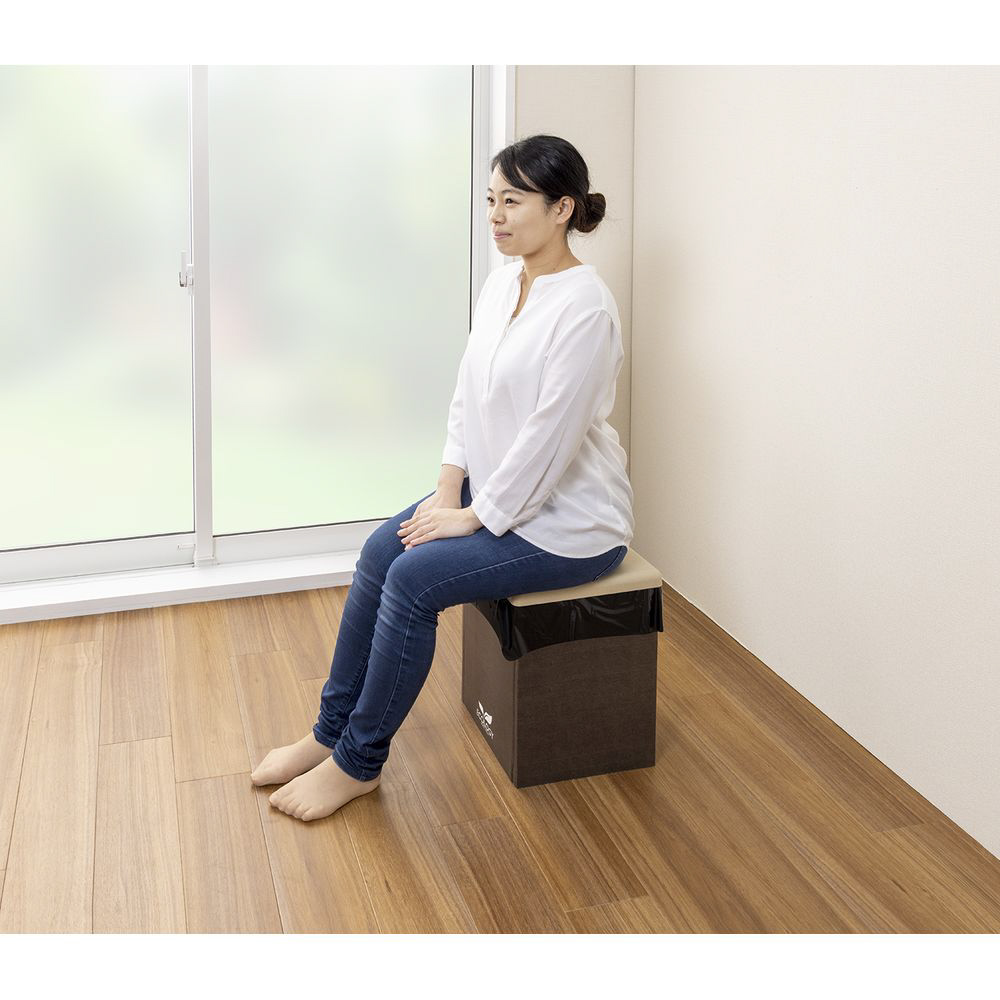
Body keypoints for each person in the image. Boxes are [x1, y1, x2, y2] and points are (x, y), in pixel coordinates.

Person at [251, 134, 635, 822]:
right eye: (491, 200)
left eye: (512, 201)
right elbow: (469, 396)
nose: (496, 216)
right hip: (491, 497)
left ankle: (358, 763)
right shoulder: (503, 283)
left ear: (562, 209)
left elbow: (549, 440)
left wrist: (473, 517)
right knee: (381, 551)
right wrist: (448, 489)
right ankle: (328, 732)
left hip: (570, 523)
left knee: (413, 580)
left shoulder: (586, 308)